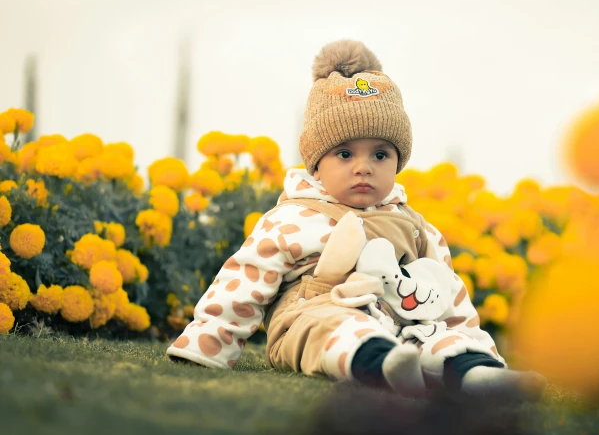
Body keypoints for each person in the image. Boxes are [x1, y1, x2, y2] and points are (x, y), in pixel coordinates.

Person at [167, 40, 547, 398]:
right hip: (312, 317)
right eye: (345, 154)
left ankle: (477, 373)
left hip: (404, 325)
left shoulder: (416, 227)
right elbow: (242, 282)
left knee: (439, 338)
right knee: (338, 327)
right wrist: (208, 341)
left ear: (399, 161)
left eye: (380, 155)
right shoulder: (294, 216)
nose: (363, 168)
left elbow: (447, 297)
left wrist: (467, 339)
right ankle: (380, 365)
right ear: (316, 164)